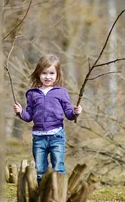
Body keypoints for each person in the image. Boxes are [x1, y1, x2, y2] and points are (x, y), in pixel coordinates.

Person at [13, 54, 82, 183]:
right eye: (44, 73)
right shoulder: (32, 94)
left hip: (57, 136)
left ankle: (59, 197)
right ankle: (42, 197)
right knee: (40, 170)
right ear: (38, 73)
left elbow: (69, 114)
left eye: (51, 73)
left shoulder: (61, 92)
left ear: (57, 75)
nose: (48, 76)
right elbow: (29, 117)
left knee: (58, 167)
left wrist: (76, 112)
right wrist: (20, 112)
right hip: (39, 138)